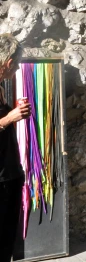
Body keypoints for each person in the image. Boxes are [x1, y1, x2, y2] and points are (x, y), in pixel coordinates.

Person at [0, 34, 30, 262]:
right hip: (1, 181)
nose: (17, 69)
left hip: (9, 176)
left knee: (7, 241)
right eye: (17, 63)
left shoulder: (0, 88)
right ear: (9, 62)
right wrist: (9, 118)